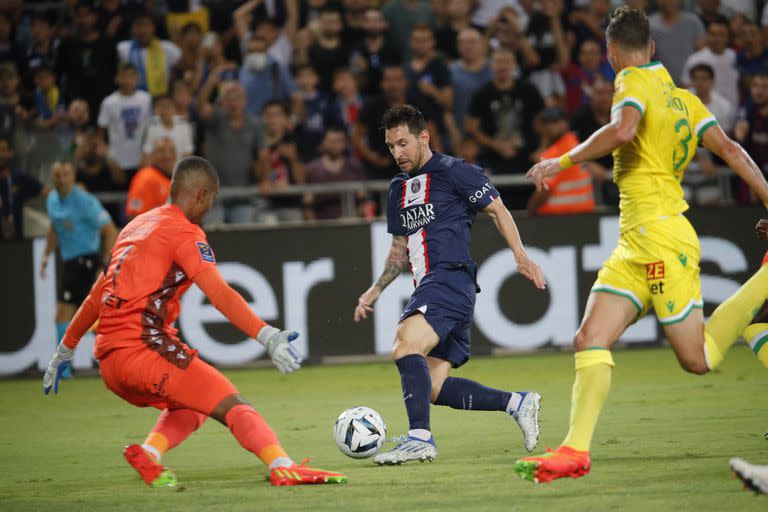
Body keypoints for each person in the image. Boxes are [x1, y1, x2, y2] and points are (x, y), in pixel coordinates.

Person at [514, 7, 768, 484]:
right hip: (636, 241)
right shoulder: (686, 102)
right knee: (589, 339)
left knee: (699, 360)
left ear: (612, 55)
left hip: (660, 237)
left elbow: (624, 129)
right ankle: (575, 450)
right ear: (652, 47)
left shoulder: (630, 81)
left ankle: (767, 278)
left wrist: (559, 160)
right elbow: (733, 150)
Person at [41, 155, 347, 488]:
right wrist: (267, 335)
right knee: (233, 404)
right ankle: (282, 465)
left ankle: (149, 454)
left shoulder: (135, 226)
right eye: (212, 200)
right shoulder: (184, 233)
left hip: (110, 364)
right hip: (143, 351)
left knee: (196, 403)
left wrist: (65, 349)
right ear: (201, 195)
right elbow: (219, 293)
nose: (210, 208)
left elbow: (95, 295)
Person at [352, 105, 545, 465]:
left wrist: (520, 254)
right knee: (434, 387)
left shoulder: (456, 172)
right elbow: (399, 252)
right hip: (435, 285)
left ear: (424, 137)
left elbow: (498, 210)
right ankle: (517, 403)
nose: (397, 153)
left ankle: (420, 438)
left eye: (404, 143)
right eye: (391, 146)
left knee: (405, 345)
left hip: (450, 278)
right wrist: (375, 290)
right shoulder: (397, 189)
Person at [41, 161, 118, 379]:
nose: (61, 179)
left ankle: (63, 371)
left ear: (74, 177)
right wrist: (46, 255)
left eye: (66, 174)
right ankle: (76, 366)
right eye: (57, 175)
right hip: (70, 262)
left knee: (65, 313)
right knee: (87, 315)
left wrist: (104, 265)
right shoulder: (52, 200)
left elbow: (110, 230)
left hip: (86, 261)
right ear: (52, 178)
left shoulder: (85, 201)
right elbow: (55, 228)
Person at [527, 108, 595, 215]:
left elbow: (545, 189)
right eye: (546, 122)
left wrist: (530, 211)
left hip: (561, 215)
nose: (550, 127)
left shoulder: (558, 151)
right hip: (581, 212)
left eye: (555, 122)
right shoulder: (574, 143)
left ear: (565, 123)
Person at [97, 63, 153, 177]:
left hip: (141, 161)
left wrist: (147, 157)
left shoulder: (146, 99)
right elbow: (100, 138)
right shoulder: (109, 102)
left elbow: (151, 131)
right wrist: (111, 162)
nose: (128, 80)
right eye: (124, 76)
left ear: (137, 78)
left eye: (131, 76)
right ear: (117, 78)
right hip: (117, 163)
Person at [303, 126, 366, 220]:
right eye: (331, 141)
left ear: (345, 143)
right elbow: (307, 205)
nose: (335, 145)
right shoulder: (312, 169)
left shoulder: (354, 167)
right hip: (322, 225)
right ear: (323, 143)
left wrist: (353, 220)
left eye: (339, 141)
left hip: (350, 223)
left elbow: (363, 201)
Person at [117, 14, 181, 98]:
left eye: (146, 25)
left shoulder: (168, 47)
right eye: (138, 25)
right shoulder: (123, 48)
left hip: (161, 97)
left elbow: (184, 67)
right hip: (134, 97)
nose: (143, 30)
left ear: (153, 28)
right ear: (132, 29)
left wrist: (177, 38)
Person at [126, 137, 176, 219]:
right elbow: (134, 216)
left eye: (171, 151)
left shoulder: (175, 179)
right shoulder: (146, 177)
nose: (167, 155)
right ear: (153, 155)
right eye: (161, 151)